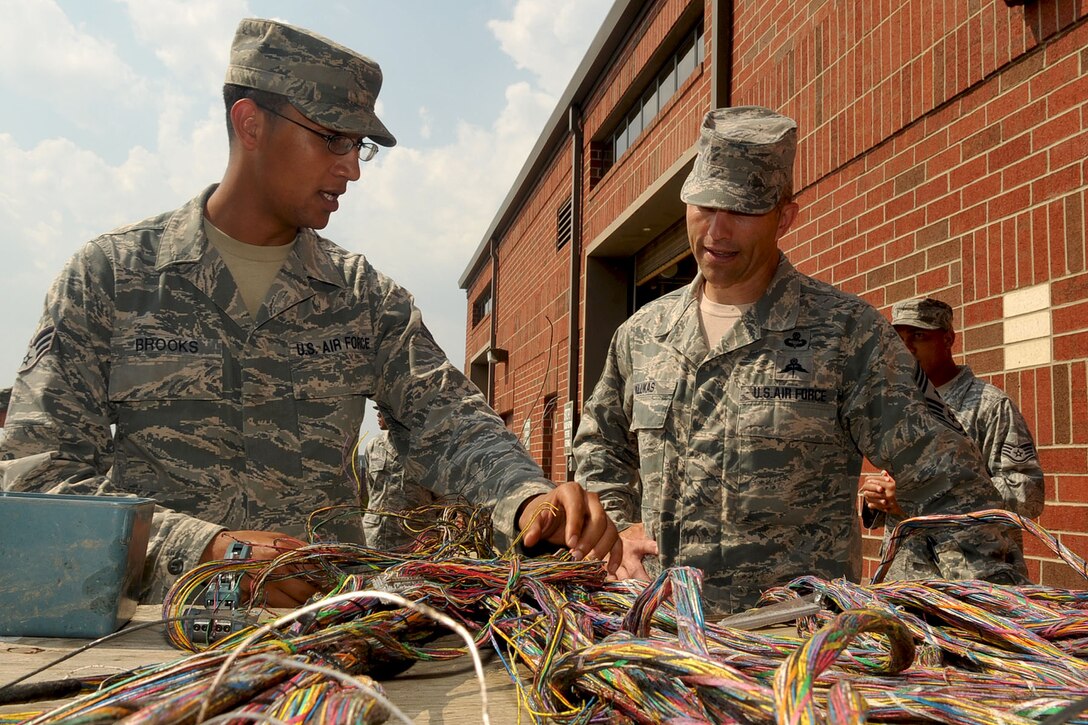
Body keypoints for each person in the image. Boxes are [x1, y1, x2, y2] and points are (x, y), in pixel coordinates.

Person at [0, 18, 620, 606]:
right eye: (332, 138)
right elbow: (37, 482)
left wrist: (529, 499)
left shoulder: (364, 299)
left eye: (359, 147)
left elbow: (453, 423)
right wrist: (207, 552)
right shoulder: (109, 280)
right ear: (250, 122)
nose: (351, 167)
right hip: (152, 640)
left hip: (325, 643)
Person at [573, 106, 1026, 614]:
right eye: (703, 205)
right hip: (661, 634)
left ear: (784, 216)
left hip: (795, 647)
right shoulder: (644, 334)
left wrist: (1001, 625)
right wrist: (615, 526)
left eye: (742, 210)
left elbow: (952, 485)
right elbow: (599, 445)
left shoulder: (846, 333)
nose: (717, 231)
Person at [860, 297, 1045, 568]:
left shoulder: (989, 405)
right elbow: (898, 486)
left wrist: (918, 496)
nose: (906, 347)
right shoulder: (899, 407)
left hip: (975, 579)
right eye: (898, 338)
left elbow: (1027, 495)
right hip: (905, 580)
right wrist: (876, 499)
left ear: (948, 339)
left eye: (919, 335)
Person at [359, 408, 439, 549]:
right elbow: (371, 488)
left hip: (415, 541)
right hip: (376, 538)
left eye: (383, 411)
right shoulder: (373, 446)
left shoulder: (426, 450)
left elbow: (441, 499)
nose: (378, 414)